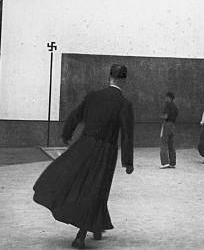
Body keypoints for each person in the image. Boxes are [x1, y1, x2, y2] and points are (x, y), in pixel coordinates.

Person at [33, 64, 135, 249]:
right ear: (124, 80)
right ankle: (81, 235)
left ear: (109, 76)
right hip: (106, 152)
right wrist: (127, 162)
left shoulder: (93, 96)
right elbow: (127, 134)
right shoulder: (124, 104)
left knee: (76, 181)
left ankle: (96, 227)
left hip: (84, 145)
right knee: (97, 189)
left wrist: (66, 134)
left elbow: (75, 115)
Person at [160, 91, 178, 169]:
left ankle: (165, 163)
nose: (165, 99)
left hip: (166, 125)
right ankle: (172, 163)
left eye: (166, 97)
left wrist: (161, 116)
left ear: (169, 98)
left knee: (163, 143)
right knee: (171, 144)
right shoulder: (175, 107)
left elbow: (166, 116)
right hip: (173, 125)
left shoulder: (167, 105)